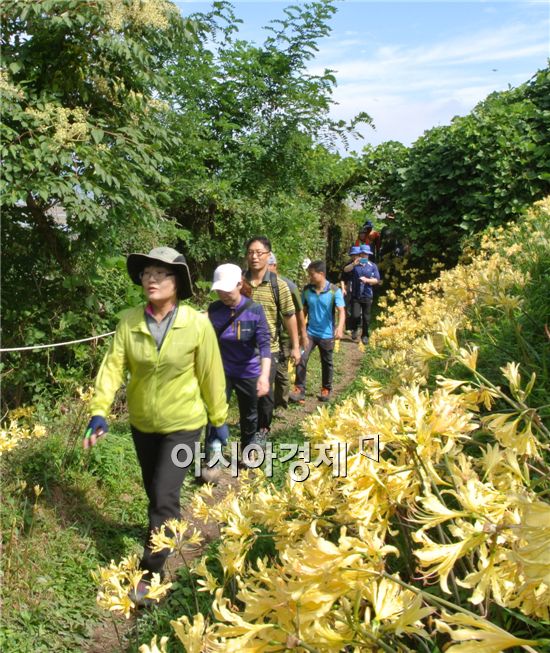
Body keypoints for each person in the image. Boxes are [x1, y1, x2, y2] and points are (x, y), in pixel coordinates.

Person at [83, 247, 228, 604]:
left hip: (184, 424)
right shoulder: (130, 322)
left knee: (164, 495)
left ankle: (151, 573)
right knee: (154, 490)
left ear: (176, 283)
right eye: (147, 273)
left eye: (161, 274)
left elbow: (211, 374)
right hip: (143, 424)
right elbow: (112, 367)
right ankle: (161, 529)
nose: (151, 279)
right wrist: (99, 410)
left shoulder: (196, 323)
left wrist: (219, 421)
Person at [206, 263, 271, 477]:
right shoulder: (214, 310)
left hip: (249, 371)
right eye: (219, 290)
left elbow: (264, 346)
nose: (223, 294)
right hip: (221, 370)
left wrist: (264, 376)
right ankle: (213, 457)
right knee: (215, 413)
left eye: (227, 289)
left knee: (249, 414)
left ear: (239, 284)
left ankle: (248, 450)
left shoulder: (254, 310)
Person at [244, 237, 301, 442]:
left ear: (268, 256)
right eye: (251, 252)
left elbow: (289, 316)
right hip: (242, 347)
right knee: (248, 391)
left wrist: (295, 346)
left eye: (259, 252)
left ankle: (263, 429)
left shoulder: (279, 285)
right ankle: (249, 428)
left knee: (265, 392)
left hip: (270, 347)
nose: (254, 257)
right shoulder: (239, 282)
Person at [289, 260, 345, 404]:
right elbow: (302, 311)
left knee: (327, 362)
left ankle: (326, 389)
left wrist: (339, 327)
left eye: (312, 274)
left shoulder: (334, 291)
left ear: (321, 274)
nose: (310, 277)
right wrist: (301, 333)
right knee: (301, 358)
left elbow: (341, 311)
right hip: (310, 333)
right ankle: (299, 390)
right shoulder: (307, 291)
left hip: (327, 334)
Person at [267, 253, 308, 411]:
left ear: (274, 266)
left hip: (284, 335)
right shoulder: (258, 284)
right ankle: (264, 405)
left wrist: (301, 335)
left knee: (281, 370)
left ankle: (280, 404)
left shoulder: (288, 286)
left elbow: (299, 312)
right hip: (266, 335)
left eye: (268, 265)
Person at [343, 244, 381, 344]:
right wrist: (353, 264)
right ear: (359, 254)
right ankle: (354, 329)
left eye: (366, 254)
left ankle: (365, 335)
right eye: (362, 254)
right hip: (355, 295)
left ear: (368, 255)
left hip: (367, 294)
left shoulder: (372, 266)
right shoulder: (355, 265)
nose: (364, 256)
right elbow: (345, 270)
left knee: (366, 317)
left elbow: (377, 280)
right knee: (355, 315)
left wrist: (367, 280)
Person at [340, 245, 360, 333]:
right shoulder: (348, 265)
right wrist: (343, 288)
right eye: (353, 255)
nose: (355, 256)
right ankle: (349, 328)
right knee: (348, 309)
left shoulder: (363, 264)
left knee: (357, 310)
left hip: (359, 289)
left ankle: (356, 327)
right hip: (349, 288)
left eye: (357, 255)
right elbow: (343, 276)